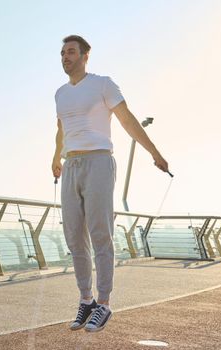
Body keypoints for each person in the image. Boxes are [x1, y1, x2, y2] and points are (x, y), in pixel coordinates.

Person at [51, 35, 169, 332]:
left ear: (85, 55)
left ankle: (103, 303)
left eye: (71, 52)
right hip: (71, 165)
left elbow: (128, 120)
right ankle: (86, 300)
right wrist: (56, 158)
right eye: (63, 53)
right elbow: (61, 130)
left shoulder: (103, 84)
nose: (65, 57)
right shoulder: (60, 94)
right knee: (74, 237)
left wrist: (154, 152)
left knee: (100, 233)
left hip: (99, 162)